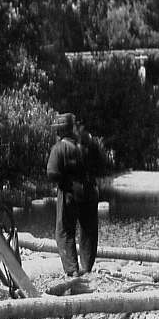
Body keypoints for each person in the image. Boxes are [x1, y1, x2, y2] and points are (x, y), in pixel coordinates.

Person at [46, 112, 108, 277]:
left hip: (69, 194)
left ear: (59, 131)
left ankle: (72, 270)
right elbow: (102, 166)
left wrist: (65, 181)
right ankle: (87, 268)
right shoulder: (89, 145)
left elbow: (52, 173)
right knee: (89, 231)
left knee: (65, 231)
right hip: (90, 193)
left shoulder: (59, 148)